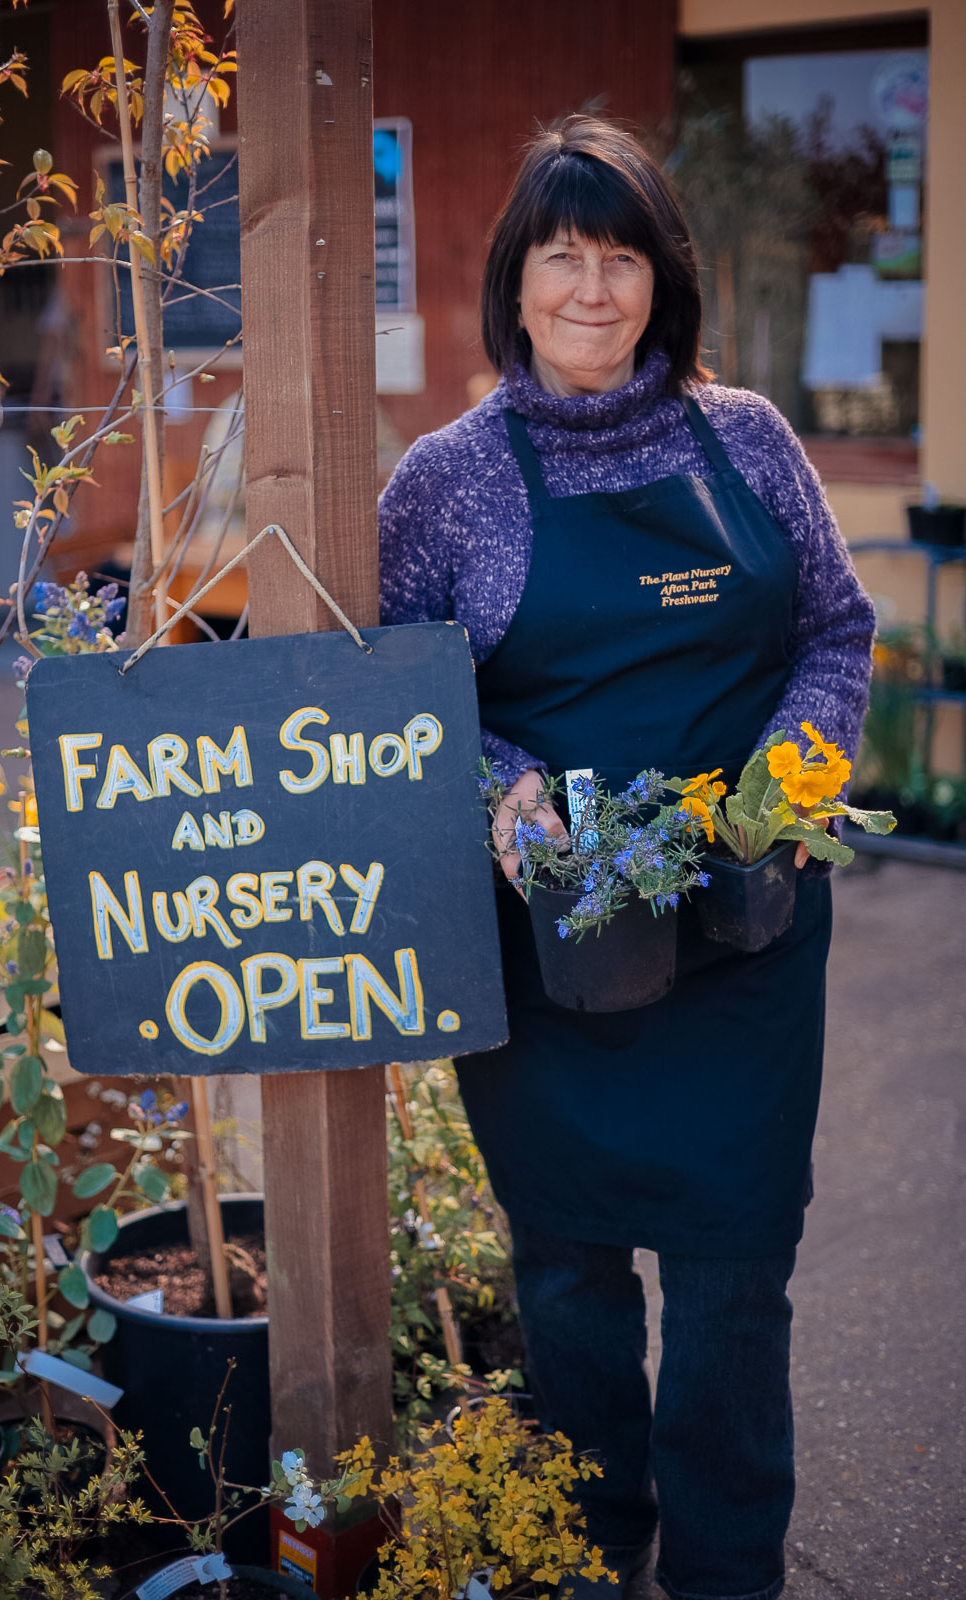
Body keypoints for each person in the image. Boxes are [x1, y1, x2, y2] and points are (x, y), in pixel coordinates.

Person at [378, 114, 876, 1600]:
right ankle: (590, 1546)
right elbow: (402, 701)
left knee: (735, 1276)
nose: (594, 290)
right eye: (562, 256)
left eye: (623, 259)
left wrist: (788, 778)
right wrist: (505, 786)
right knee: (571, 1274)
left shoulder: (750, 444)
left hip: (747, 934)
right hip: (553, 952)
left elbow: (835, 631)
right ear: (513, 283)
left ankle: (728, 1568)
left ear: (664, 281)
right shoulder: (448, 481)